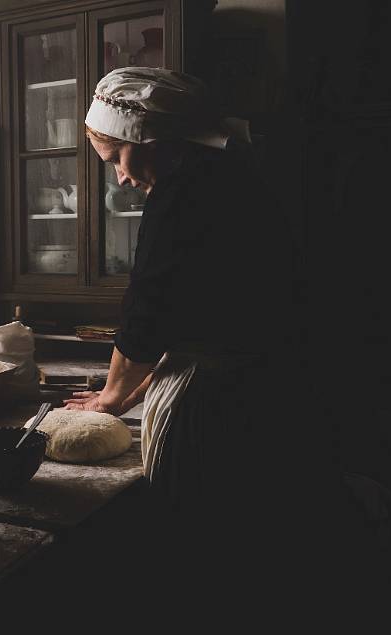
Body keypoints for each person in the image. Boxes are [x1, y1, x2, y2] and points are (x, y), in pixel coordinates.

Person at [65, 68, 320, 602]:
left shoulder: (182, 195)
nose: (119, 180)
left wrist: (111, 398)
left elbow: (149, 313)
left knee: (204, 538)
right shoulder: (230, 171)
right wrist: (129, 392)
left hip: (219, 398)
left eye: (115, 160)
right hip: (267, 379)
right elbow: (189, 310)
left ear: (146, 139)